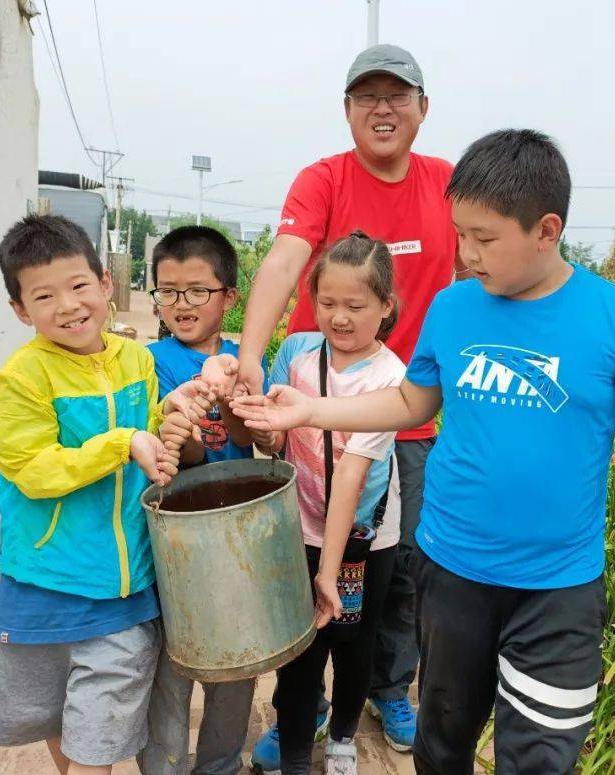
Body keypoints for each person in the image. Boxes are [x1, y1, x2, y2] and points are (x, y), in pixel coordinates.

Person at [232, 130, 615, 774]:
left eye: (484, 238)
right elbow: (411, 404)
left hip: (557, 589)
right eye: (460, 235)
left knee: (539, 759)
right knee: (442, 747)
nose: (466, 254)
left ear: (547, 229)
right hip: (452, 573)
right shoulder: (453, 308)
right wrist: (311, 410)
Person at [236, 44, 459, 764]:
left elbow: (484, 272)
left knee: (398, 572)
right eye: (367, 97)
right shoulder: (324, 179)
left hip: (410, 416)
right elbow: (283, 261)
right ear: (347, 111)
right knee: (302, 567)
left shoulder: (448, 184)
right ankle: (300, 705)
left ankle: (391, 687)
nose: (383, 109)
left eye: (398, 95)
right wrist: (248, 351)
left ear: (424, 108)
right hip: (319, 416)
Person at [0, 215, 208, 774]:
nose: (68, 305)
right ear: (19, 309)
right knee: (56, 718)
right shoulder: (21, 380)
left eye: (79, 285)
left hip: (122, 590)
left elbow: (148, 429)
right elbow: (34, 470)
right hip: (43, 582)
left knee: (98, 737)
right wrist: (124, 442)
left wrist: (172, 419)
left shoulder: (135, 360)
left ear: (106, 283)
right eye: (44, 295)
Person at [213, 231, 404, 774]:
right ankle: (297, 753)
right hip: (295, 532)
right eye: (326, 303)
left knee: (352, 644)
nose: (339, 317)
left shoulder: (390, 378)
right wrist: (242, 403)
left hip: (361, 540)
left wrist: (329, 567)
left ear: (385, 307)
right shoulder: (296, 352)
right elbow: (272, 442)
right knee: (297, 650)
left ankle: (342, 733)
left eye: (355, 305)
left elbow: (350, 474)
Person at [138, 225, 261, 775]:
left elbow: (262, 439)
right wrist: (181, 423)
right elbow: (178, 459)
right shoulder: (146, 363)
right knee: (171, 662)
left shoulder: (248, 358)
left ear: (229, 297)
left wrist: (229, 391)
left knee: (236, 665)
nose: (180, 304)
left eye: (197, 291)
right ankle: (163, 766)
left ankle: (220, 764)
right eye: (168, 291)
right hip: (175, 542)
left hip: (237, 537)